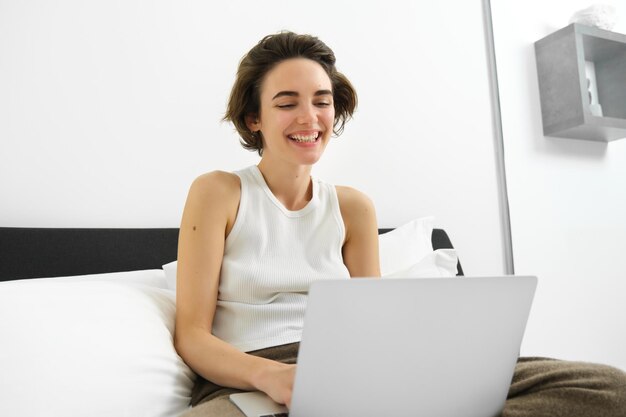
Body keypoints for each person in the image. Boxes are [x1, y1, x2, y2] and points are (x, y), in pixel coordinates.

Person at [175, 31, 626, 417]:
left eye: (322, 101)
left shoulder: (353, 208)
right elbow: (192, 335)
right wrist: (273, 377)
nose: (309, 117)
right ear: (254, 119)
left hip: (351, 374)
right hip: (251, 378)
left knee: (608, 390)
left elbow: (374, 328)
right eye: (286, 103)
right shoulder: (219, 193)